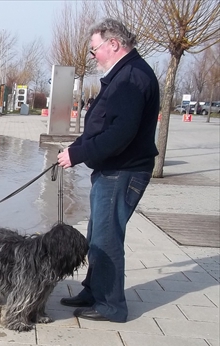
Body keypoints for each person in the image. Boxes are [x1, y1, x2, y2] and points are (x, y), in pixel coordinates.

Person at [56, 18, 160, 323]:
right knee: (97, 234)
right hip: (114, 170)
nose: (93, 56)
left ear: (113, 44)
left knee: (106, 239)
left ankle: (111, 305)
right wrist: (75, 148)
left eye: (94, 49)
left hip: (123, 172)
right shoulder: (125, 74)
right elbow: (101, 125)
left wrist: (78, 154)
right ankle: (93, 290)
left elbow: (119, 134)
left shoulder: (130, 77)